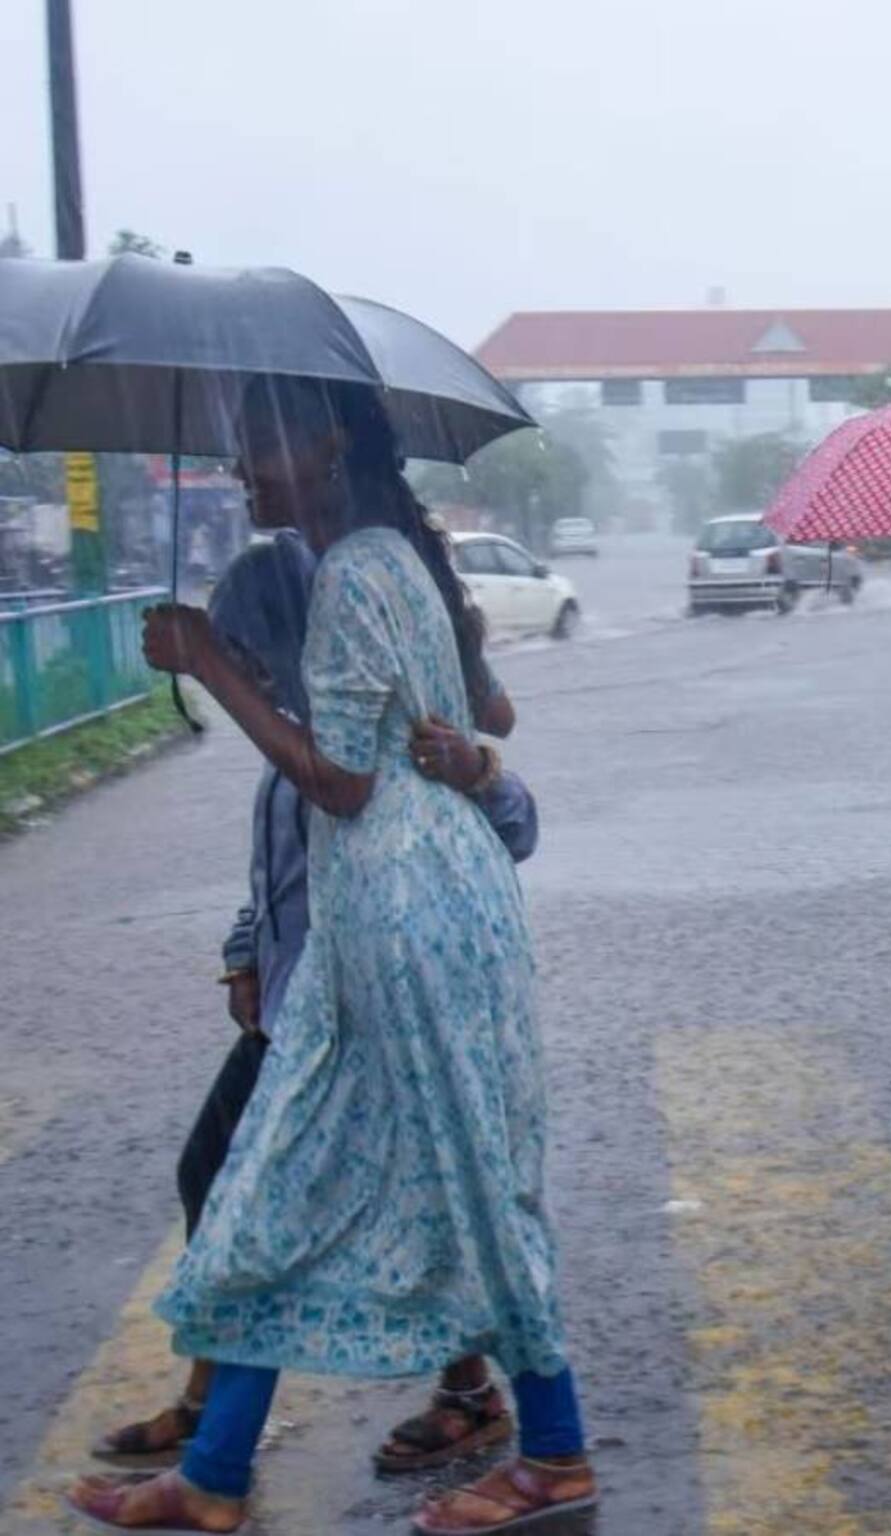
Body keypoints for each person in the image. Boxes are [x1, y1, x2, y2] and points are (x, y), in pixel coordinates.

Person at [70, 378, 595, 1535]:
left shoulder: (359, 570)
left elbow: (345, 784)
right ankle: (212, 1474)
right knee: (273, 1184)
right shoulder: (382, 560)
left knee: (469, 1186)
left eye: (261, 440)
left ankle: (555, 1453)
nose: (240, 463)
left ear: (327, 443)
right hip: (384, 914)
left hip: (407, 915)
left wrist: (210, 663)